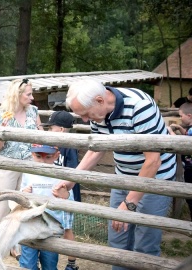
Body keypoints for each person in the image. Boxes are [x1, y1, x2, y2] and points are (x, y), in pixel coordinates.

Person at [53, 79, 176, 270]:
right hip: (122, 178)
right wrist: (70, 182)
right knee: (117, 241)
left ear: (100, 100)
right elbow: (96, 150)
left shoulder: (139, 106)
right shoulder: (99, 114)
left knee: (145, 245)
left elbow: (153, 161)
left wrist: (128, 203)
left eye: (86, 114)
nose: (85, 120)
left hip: (155, 180)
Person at [0, 78, 42, 260]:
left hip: (29, 164)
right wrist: (2, 131)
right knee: (3, 206)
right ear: (17, 95)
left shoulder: (34, 112)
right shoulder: (1, 116)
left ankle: (18, 246)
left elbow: (40, 137)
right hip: (7, 164)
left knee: (25, 205)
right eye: (29, 94)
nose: (32, 97)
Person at [17, 144, 73, 270]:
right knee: (27, 265)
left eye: (48, 157)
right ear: (32, 154)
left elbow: (70, 198)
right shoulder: (28, 172)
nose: (43, 161)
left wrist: (65, 195)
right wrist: (24, 193)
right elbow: (22, 195)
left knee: (49, 265)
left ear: (57, 155)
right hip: (29, 227)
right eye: (38, 156)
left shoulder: (61, 174)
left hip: (51, 229)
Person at [41, 111, 80, 270]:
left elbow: (73, 171)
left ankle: (72, 264)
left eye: (52, 128)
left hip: (66, 195)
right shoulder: (53, 145)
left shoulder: (69, 147)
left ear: (62, 130)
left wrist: (65, 191)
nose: (50, 131)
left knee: (66, 230)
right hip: (53, 194)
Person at [167, 102, 192, 221]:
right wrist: (181, 128)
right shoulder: (190, 129)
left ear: (189, 116)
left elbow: (181, 143)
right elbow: (188, 137)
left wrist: (170, 132)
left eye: (181, 116)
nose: (180, 118)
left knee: (190, 197)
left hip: (191, 169)